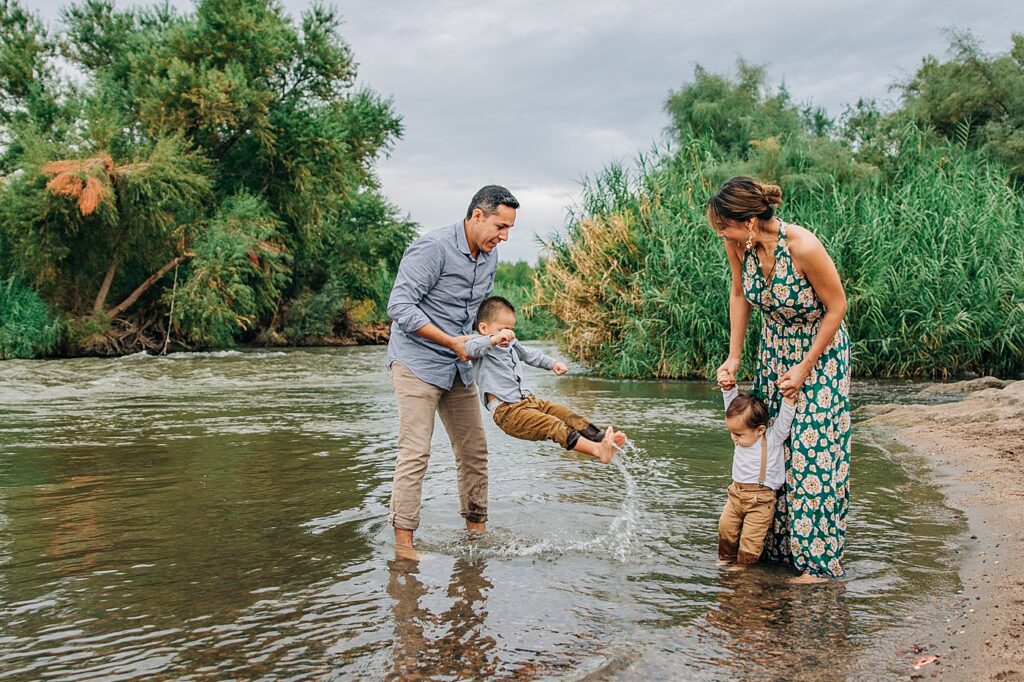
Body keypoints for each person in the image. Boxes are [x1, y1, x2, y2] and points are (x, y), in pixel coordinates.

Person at [707, 176, 851, 583]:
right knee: (774, 445)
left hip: (819, 355)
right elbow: (739, 294)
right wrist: (734, 356)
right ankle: (781, 551)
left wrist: (806, 366)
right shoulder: (739, 245)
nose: (721, 233)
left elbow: (837, 307)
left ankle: (818, 565)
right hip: (773, 351)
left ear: (750, 220)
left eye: (725, 225)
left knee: (812, 452)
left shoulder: (802, 246)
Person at [386, 185, 519, 551]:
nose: (504, 236)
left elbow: (477, 320)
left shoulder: (489, 256)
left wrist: (493, 344)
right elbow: (399, 306)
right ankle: (404, 547)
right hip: (416, 362)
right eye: (500, 226)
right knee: (416, 452)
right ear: (478, 215)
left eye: (509, 229)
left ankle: (476, 538)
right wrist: (450, 341)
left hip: (460, 367)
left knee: (474, 451)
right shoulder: (433, 248)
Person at [464, 296, 626, 462]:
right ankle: (598, 451)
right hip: (508, 412)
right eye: (503, 329)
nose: (509, 334)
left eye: (512, 329)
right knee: (553, 424)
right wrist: (494, 339)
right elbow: (470, 348)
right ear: (484, 328)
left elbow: (529, 354)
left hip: (529, 403)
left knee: (565, 413)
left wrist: (552, 363)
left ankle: (601, 439)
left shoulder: (510, 344)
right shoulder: (480, 344)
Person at [716, 373, 795, 566]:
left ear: (759, 430)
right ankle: (725, 559)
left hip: (761, 500)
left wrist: (788, 400)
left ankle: (744, 568)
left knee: (751, 541)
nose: (734, 438)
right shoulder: (741, 436)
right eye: (732, 433)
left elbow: (784, 423)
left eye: (738, 434)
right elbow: (732, 412)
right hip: (735, 494)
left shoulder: (772, 438)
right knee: (725, 529)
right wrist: (728, 390)